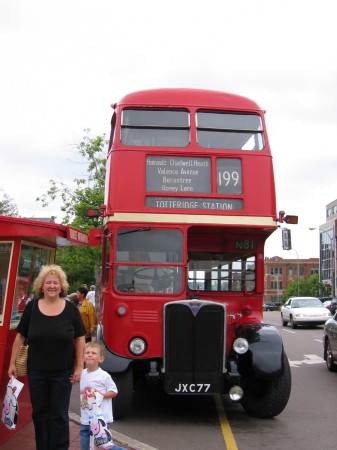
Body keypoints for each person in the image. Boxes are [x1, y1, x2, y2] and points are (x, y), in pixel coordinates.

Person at [8, 264, 86, 450]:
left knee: (58, 414)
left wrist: (79, 366)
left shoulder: (70, 309)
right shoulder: (32, 307)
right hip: (37, 372)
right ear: (41, 286)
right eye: (48, 282)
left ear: (62, 286)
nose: (52, 286)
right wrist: (12, 363)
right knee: (40, 413)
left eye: (55, 283)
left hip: (63, 372)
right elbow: (20, 336)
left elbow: (80, 337)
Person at [80, 343, 126, 450]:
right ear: (82, 357)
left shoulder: (104, 375)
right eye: (87, 353)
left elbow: (114, 391)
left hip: (99, 416)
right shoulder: (82, 374)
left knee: (103, 443)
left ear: (101, 359)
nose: (90, 355)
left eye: (93, 353)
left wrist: (101, 395)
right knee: (85, 435)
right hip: (86, 415)